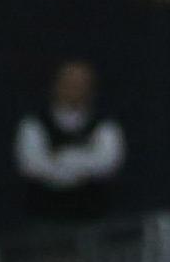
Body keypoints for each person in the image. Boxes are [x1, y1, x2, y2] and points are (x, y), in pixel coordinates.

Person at [14, 60, 125, 223]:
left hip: (93, 214)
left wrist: (62, 157)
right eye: (69, 82)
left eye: (80, 84)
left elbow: (107, 164)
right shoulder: (34, 123)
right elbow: (31, 165)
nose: (74, 89)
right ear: (56, 84)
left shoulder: (105, 125)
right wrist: (83, 162)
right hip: (43, 214)